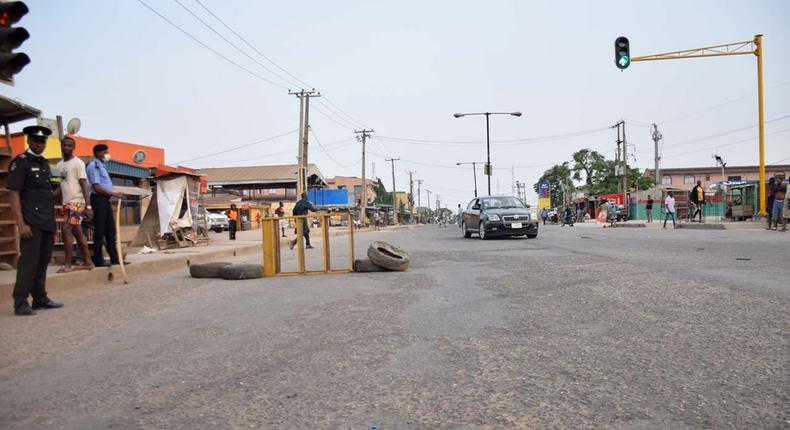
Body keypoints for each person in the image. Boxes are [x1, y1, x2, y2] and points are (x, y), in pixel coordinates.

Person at [7, 126, 64, 315]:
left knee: (42, 262)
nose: (39, 144)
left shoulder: (45, 164)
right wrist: (21, 224)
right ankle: (20, 302)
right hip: (30, 223)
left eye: (43, 141)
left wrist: (62, 187)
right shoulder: (20, 163)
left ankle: (40, 298)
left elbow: (47, 195)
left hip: (47, 221)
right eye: (36, 141)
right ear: (28, 141)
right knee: (28, 263)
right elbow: (14, 194)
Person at [55, 136, 94, 273]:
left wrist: (88, 206)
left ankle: (67, 264)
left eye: (69, 145)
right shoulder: (59, 165)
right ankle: (88, 262)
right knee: (78, 233)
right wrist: (52, 195)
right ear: (61, 146)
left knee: (66, 229)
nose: (66, 147)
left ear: (73, 147)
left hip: (77, 202)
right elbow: (62, 184)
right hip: (67, 203)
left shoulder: (78, 163)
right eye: (64, 145)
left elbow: (84, 184)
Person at [86, 144, 124, 267]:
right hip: (98, 200)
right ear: (97, 153)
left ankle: (115, 258)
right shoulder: (94, 166)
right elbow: (97, 188)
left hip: (105, 200)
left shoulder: (102, 165)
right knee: (100, 230)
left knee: (110, 230)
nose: (107, 154)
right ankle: (98, 260)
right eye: (104, 152)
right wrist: (115, 194)